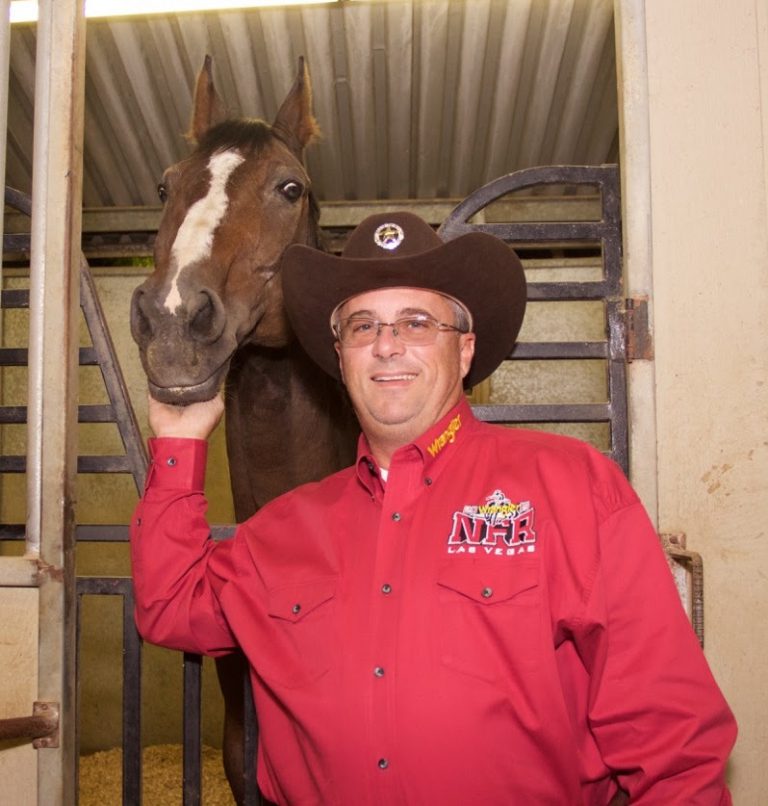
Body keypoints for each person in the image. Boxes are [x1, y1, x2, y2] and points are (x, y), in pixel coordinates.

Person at [131, 212, 736, 805]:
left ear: (465, 350)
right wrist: (179, 443)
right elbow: (170, 606)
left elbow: (673, 740)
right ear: (342, 358)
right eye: (363, 327)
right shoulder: (284, 528)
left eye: (416, 323)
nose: (387, 345)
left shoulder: (572, 487)